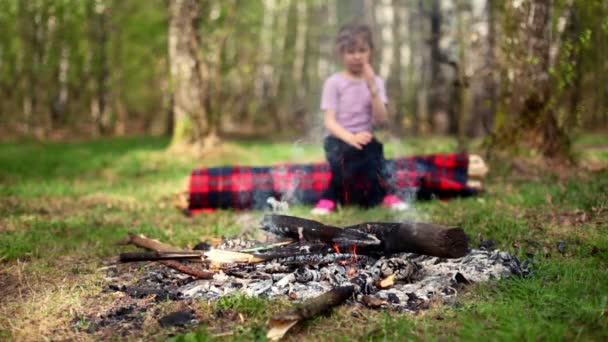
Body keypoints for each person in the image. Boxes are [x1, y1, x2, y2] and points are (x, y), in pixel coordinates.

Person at [311, 23, 408, 215]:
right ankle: (329, 197)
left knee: (375, 157)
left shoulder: (377, 82)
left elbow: (381, 120)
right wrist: (350, 138)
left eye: (362, 50)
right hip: (340, 138)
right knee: (341, 163)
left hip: (365, 138)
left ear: (371, 51)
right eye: (351, 51)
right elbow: (329, 121)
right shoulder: (334, 82)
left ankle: (384, 195)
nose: (357, 56)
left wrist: (372, 86)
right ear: (341, 53)